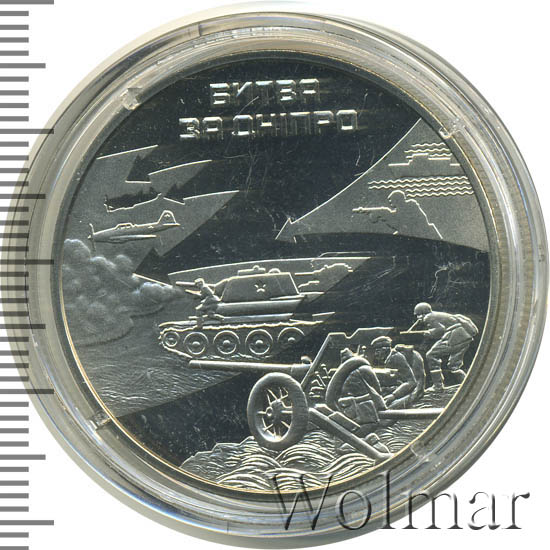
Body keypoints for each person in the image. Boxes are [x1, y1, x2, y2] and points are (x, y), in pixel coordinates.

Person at [413, 302, 478, 389]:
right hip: (465, 337)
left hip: (454, 337)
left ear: (422, 313)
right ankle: (469, 384)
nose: (418, 318)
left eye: (418, 315)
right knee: (454, 366)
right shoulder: (437, 315)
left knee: (431, 355)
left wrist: (428, 333)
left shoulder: (428, 317)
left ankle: (438, 385)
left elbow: (440, 330)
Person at [325, 348, 386, 427]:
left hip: (344, 405)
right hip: (361, 405)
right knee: (372, 423)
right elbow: (377, 387)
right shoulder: (365, 368)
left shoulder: (343, 373)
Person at [371, 336, 425, 407]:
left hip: (410, 392)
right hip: (399, 390)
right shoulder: (388, 358)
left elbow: (411, 382)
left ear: (385, 349)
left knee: (387, 408)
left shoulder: (397, 358)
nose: (375, 354)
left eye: (377, 351)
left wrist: (393, 396)